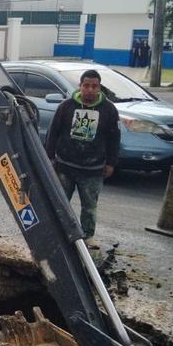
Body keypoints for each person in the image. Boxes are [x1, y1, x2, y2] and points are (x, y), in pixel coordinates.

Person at [44, 69, 119, 248]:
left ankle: (88, 236)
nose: (90, 90)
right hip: (65, 166)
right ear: (80, 86)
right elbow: (53, 133)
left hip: (93, 169)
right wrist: (50, 157)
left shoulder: (109, 109)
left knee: (90, 206)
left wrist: (111, 163)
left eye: (94, 86)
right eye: (86, 85)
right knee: (60, 203)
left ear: (99, 88)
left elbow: (114, 138)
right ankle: (59, 234)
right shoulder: (66, 106)